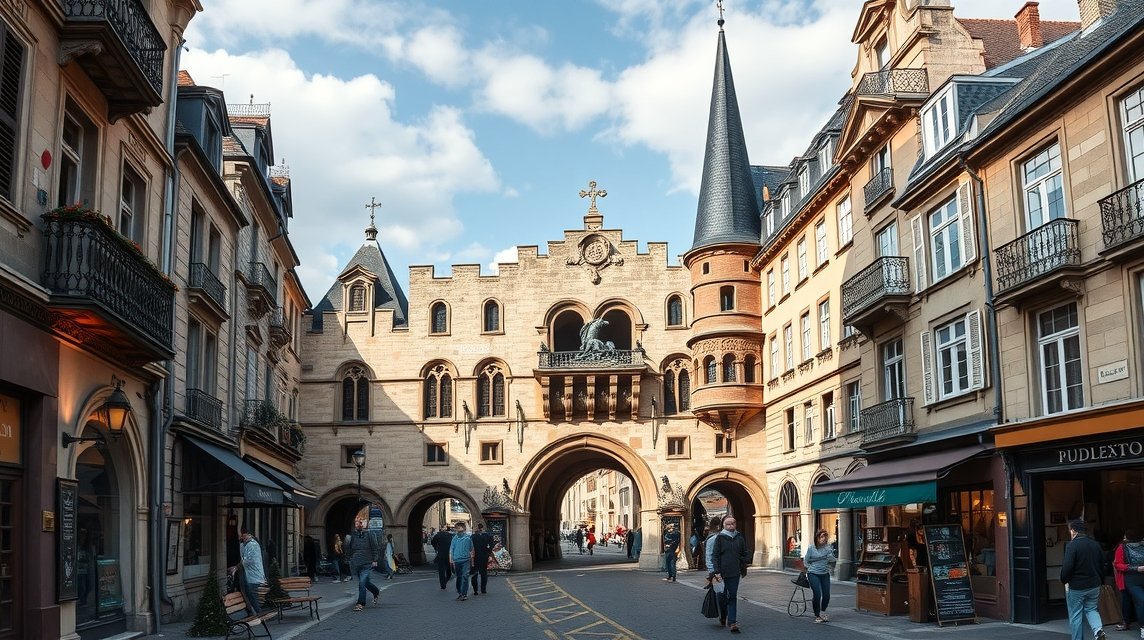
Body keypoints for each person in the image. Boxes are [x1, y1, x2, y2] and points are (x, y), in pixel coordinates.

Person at [1060, 518, 1107, 640]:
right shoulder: (1095, 544)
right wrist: (1101, 580)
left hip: (1077, 586)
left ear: (1074, 530)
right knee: (1092, 609)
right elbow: (1103, 563)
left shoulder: (1072, 546)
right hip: (1094, 585)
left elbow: (1067, 567)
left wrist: (1063, 579)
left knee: (1076, 616)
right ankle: (1098, 630)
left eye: (1070, 530)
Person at [706, 515, 749, 633]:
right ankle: (723, 616)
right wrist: (715, 571)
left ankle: (732, 622)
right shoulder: (719, 538)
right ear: (723, 526)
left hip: (734, 572)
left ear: (735, 524)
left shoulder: (739, 537)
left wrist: (743, 563)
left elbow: (744, 552)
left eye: (732, 524)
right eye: (728, 524)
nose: (731, 526)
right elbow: (714, 555)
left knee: (733, 596)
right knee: (721, 597)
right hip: (721, 573)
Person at [344, 518, 381, 612]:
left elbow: (375, 547)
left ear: (364, 524)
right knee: (365, 582)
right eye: (356, 523)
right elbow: (347, 549)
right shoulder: (351, 536)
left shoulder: (370, 534)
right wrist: (349, 560)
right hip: (355, 563)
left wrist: (375, 559)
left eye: (360, 523)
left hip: (367, 563)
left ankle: (360, 603)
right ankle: (376, 592)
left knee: (362, 582)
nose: (358, 525)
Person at [1114, 529, 1144, 637]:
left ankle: (1126, 623)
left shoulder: (1122, 546)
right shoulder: (1122, 548)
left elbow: (1116, 564)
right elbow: (1118, 564)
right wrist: (1136, 568)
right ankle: (1138, 626)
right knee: (1137, 600)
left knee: (1129, 601)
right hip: (1130, 579)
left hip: (1134, 578)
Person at [804, 528, 837, 623]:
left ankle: (823, 611)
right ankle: (817, 615)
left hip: (824, 573)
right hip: (813, 573)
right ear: (817, 538)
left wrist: (831, 559)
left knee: (826, 595)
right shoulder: (811, 548)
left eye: (825, 537)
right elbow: (806, 561)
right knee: (817, 594)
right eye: (821, 537)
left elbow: (832, 560)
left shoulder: (828, 548)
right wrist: (808, 568)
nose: (823, 539)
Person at [231, 527, 265, 614]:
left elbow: (248, 560)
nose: (242, 537)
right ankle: (255, 612)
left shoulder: (252, 545)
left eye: (244, 535)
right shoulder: (245, 545)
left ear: (250, 535)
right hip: (248, 574)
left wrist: (236, 567)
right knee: (249, 594)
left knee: (252, 595)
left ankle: (258, 613)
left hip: (252, 575)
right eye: (241, 536)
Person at [449, 521, 474, 601]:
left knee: (465, 576)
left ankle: (464, 594)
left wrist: (472, 559)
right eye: (457, 528)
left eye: (460, 527)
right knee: (459, 577)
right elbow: (451, 549)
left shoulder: (468, 538)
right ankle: (460, 592)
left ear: (464, 528)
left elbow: (471, 549)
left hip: (466, 560)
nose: (458, 529)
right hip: (457, 560)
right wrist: (451, 559)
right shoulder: (454, 538)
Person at [470, 522, 493, 595]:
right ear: (483, 528)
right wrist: (488, 553)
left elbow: (470, 547)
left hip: (475, 557)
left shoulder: (472, 537)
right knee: (483, 574)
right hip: (484, 557)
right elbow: (491, 546)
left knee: (474, 574)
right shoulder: (487, 536)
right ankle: (483, 589)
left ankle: (475, 590)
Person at [431, 525, 454, 589]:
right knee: (448, 570)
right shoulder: (451, 535)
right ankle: (444, 582)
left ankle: (443, 584)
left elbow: (433, 542)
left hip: (441, 554)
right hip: (449, 555)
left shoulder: (437, 535)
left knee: (441, 571)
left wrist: (436, 548)